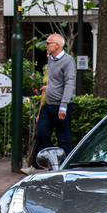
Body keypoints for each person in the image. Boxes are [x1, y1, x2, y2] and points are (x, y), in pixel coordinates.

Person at [21, 34, 76, 175]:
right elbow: (54, 82)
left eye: (48, 43)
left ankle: (65, 168)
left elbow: (70, 84)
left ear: (57, 45)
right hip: (49, 104)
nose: (46, 45)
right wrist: (48, 91)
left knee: (64, 139)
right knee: (42, 135)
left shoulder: (68, 61)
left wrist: (63, 106)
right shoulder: (50, 60)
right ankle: (47, 163)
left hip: (61, 106)